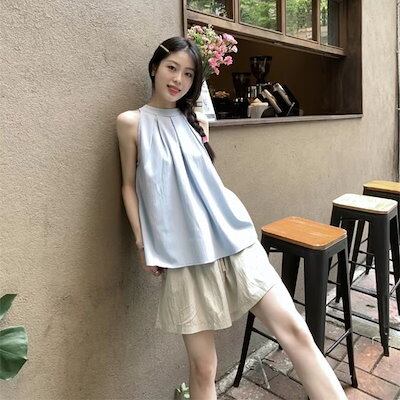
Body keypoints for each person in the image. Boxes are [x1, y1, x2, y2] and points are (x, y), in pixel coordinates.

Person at [116, 36, 348, 400]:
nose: (178, 79)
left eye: (188, 74)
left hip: (232, 238)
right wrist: (142, 243)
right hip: (183, 256)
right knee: (203, 368)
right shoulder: (131, 123)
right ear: (155, 67)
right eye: (171, 68)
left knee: (295, 332)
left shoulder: (196, 120)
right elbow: (129, 186)